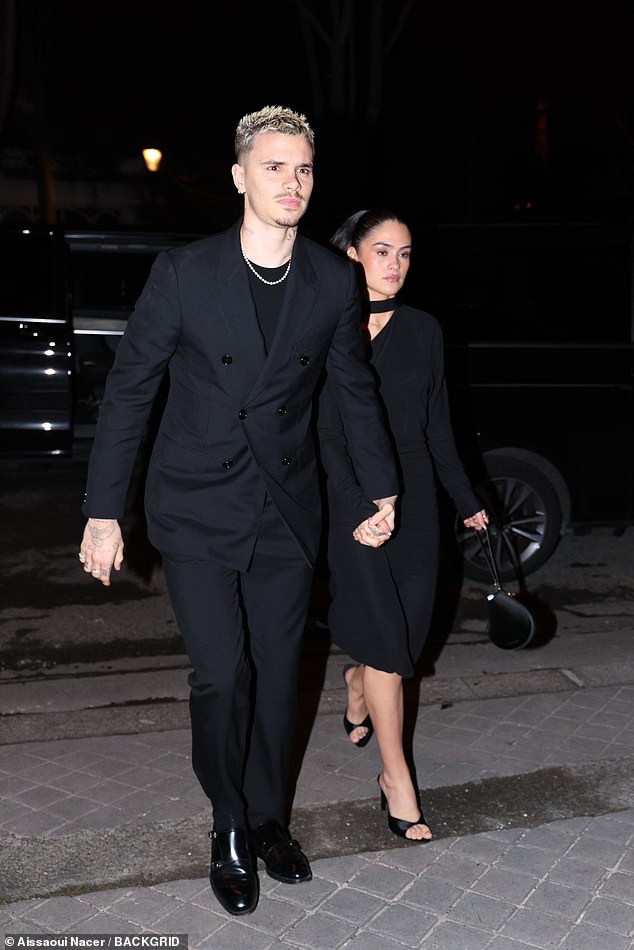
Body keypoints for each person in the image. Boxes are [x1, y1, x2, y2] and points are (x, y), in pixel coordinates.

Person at [77, 109, 399, 916]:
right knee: (223, 675)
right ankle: (227, 824)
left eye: (304, 170)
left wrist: (377, 485)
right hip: (195, 505)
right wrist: (103, 510)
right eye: (274, 167)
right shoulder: (185, 273)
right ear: (239, 176)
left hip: (285, 510)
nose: (291, 183)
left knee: (280, 674)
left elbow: (353, 391)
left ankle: (266, 818)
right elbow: (130, 393)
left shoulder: (332, 279)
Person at [317, 208, 488, 842]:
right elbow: (326, 432)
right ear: (352, 255)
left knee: (405, 640)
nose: (396, 265)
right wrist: (363, 503)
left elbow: (437, 426)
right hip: (354, 501)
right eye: (382, 251)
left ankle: (356, 680)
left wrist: (465, 496)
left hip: (416, 503)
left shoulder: (424, 330)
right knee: (390, 644)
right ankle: (397, 781)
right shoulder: (328, 328)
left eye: (406, 253)